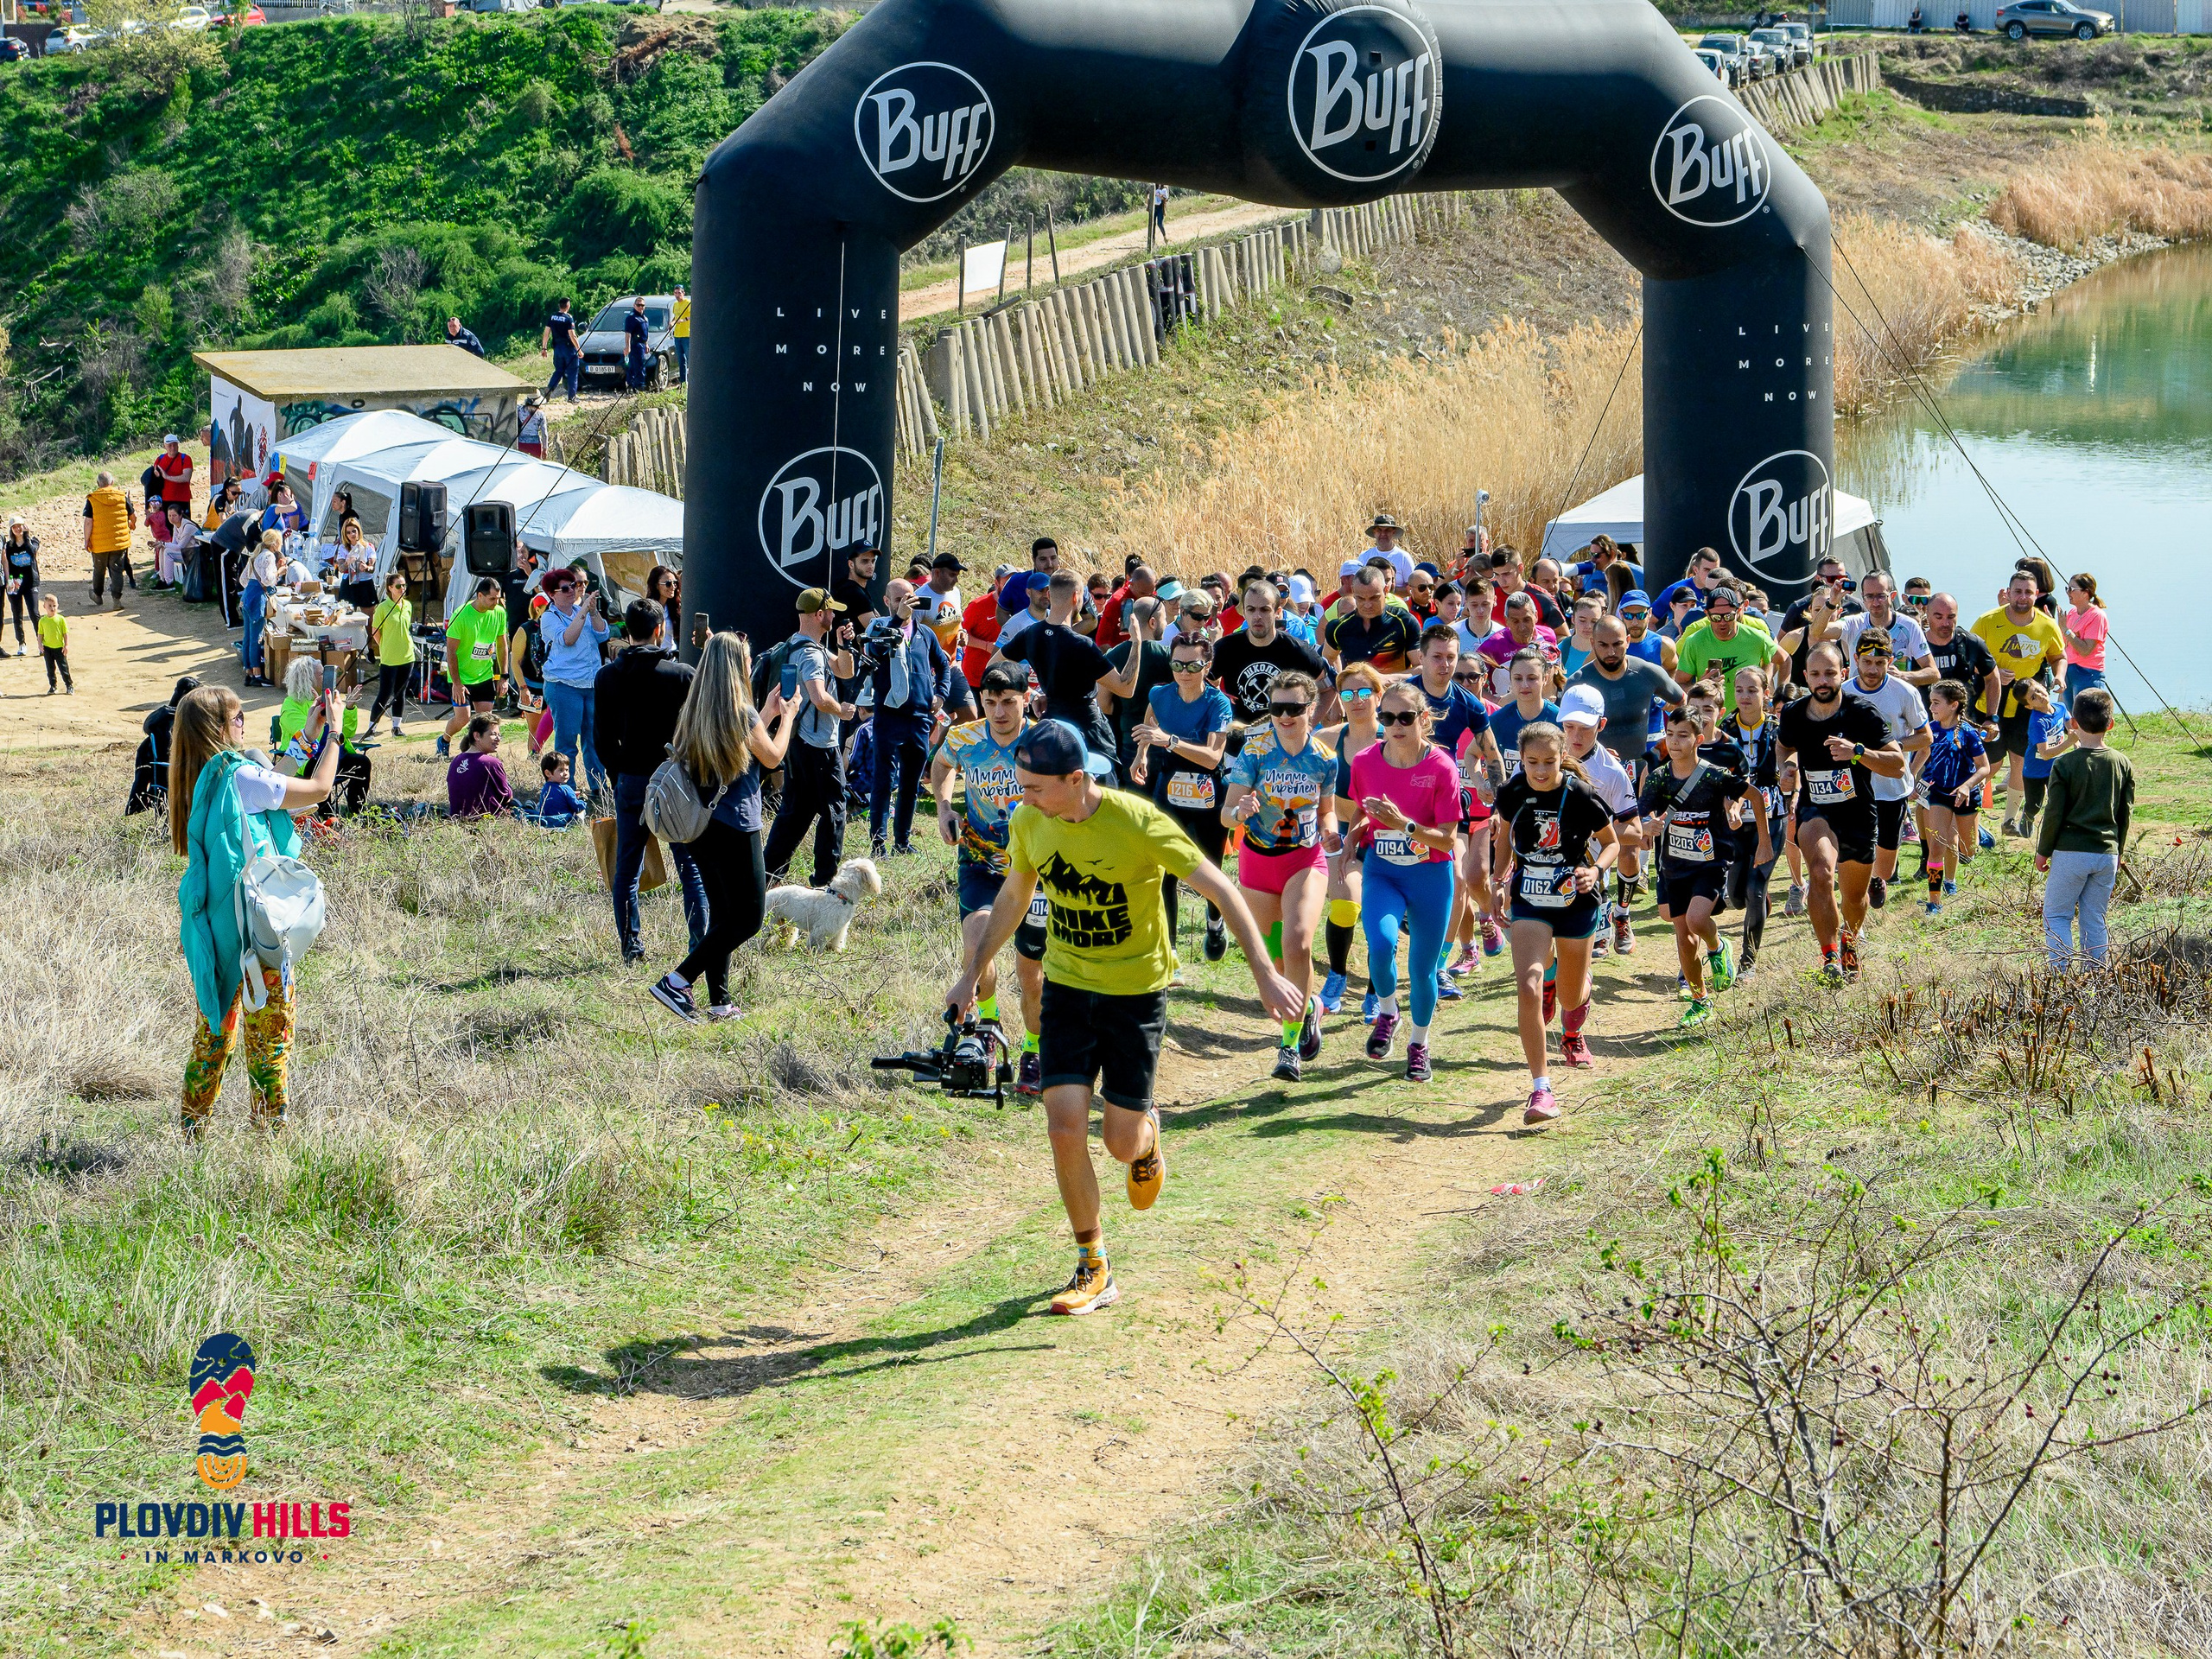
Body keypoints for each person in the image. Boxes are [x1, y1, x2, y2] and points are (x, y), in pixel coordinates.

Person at [945, 720, 1301, 1316]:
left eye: (1034, 786)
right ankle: (1094, 1265)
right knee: (1062, 1124)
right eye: (1020, 785)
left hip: (1135, 994)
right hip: (1067, 986)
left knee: (1119, 1142)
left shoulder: (1138, 823)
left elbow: (1222, 890)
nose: (1022, 796)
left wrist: (1264, 972)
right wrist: (969, 971)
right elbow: (1011, 897)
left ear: (1076, 779)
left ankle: (1146, 1137)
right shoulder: (1030, 821)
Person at [173, 683, 341, 1136]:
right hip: (256, 928)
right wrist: (336, 736)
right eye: (237, 718)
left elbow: (273, 786)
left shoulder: (202, 776)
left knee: (215, 1032)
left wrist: (309, 733)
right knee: (271, 1034)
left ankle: (191, 1130)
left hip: (219, 931)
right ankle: (268, 1140)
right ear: (218, 727)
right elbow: (317, 791)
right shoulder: (237, 775)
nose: (245, 724)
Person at [647, 634, 796, 1023]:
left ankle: (720, 1003)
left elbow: (740, 753)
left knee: (722, 914)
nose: (750, 666)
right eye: (746, 660)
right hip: (737, 824)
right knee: (748, 918)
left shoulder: (697, 710)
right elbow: (773, 756)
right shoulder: (739, 712)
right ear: (735, 666)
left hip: (702, 827)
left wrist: (765, 714)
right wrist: (789, 718)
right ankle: (678, 981)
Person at [1491, 719, 1621, 1122]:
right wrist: (1498, 881)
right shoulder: (1513, 792)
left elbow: (1612, 843)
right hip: (1529, 899)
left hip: (1575, 901)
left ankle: (1572, 1027)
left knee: (1571, 996)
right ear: (1522, 760)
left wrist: (1596, 871)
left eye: (1550, 761)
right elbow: (1503, 840)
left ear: (1563, 757)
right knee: (1527, 986)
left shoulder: (1580, 793)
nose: (1541, 771)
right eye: (1533, 762)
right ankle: (1541, 1089)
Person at [1336, 681, 1461, 1081]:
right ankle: (1388, 1011)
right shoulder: (1366, 761)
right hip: (1384, 872)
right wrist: (1355, 832)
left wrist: (1403, 824)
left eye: (1405, 717)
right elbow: (1361, 809)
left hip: (1430, 875)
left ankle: (1419, 1043)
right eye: (1387, 718)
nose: (1395, 725)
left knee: (1422, 969)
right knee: (1382, 943)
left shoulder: (1441, 766)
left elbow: (1448, 838)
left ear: (1423, 719)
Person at [935, 663, 1049, 1094]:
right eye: (990, 702)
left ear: (1025, 699)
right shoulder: (966, 737)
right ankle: (988, 1026)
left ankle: (1034, 1049)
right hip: (981, 859)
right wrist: (945, 808)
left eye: (1009, 702)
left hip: (1034, 867)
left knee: (1030, 972)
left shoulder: (1043, 741)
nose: (999, 712)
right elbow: (942, 765)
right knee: (976, 943)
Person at [1220, 671, 1337, 1080]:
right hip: (1257, 862)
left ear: (1311, 710)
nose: (1285, 716)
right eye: (1277, 709)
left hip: (1304, 860)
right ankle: (1310, 1009)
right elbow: (1225, 813)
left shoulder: (1324, 758)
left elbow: (1326, 810)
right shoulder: (1255, 752)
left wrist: (1330, 828)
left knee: (1299, 942)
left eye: (1294, 709)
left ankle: (1288, 1046)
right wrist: (1241, 812)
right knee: (1278, 960)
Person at [1777, 644, 1906, 985]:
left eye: (1830, 673)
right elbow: (1785, 746)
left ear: (1843, 674)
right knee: (1820, 872)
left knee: (1854, 898)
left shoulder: (1863, 713)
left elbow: (1897, 766)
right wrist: (1787, 768)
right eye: (1816, 674)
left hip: (1857, 814)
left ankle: (1850, 938)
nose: (1823, 681)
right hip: (1815, 809)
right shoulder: (1793, 713)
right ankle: (1830, 955)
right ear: (1805, 677)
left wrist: (1857, 751)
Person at [596, 598, 714, 963]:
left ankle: (632, 950)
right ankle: (700, 946)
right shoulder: (681, 674)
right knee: (690, 865)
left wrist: (620, 773)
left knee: (627, 869)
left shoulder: (608, 675)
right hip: (675, 778)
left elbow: (600, 739)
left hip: (630, 778)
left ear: (626, 631)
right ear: (660, 629)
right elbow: (698, 729)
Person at [1639, 706, 1767, 1028]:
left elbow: (1754, 795)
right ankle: (1699, 1000)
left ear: (1697, 739)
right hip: (1673, 866)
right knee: (1683, 936)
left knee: (1698, 921)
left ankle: (1717, 945)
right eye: (1670, 735)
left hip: (1710, 863)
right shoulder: (1658, 778)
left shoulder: (1713, 776)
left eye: (1683, 736)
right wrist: (1647, 827)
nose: (1675, 742)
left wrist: (1764, 842)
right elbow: (1642, 814)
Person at [1131, 631, 1236, 963]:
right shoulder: (1160, 693)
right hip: (1169, 786)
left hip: (1208, 791)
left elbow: (1213, 757)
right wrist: (1142, 753)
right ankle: (1171, 950)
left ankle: (1215, 923)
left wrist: (1169, 740)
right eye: (1177, 664)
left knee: (1211, 871)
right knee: (1166, 870)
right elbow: (1149, 720)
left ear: (1207, 666)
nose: (1184, 672)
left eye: (1192, 666)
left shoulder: (1217, 702)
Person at [763, 588, 857, 887]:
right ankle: (825, 879)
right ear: (820, 615)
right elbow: (819, 697)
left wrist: (844, 645)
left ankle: (767, 875)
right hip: (819, 746)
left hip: (798, 744)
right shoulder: (810, 654)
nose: (835, 615)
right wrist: (840, 710)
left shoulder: (798, 645)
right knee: (835, 809)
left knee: (796, 811)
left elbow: (844, 671)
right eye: (831, 611)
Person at [2036, 686, 2132, 972]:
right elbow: (2124, 814)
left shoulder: (2065, 763)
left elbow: (2054, 812)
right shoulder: (2122, 763)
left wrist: (2043, 851)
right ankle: (2097, 980)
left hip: (2071, 851)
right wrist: (2119, 851)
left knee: (2058, 914)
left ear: (2073, 724)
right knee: (2094, 917)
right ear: (2110, 724)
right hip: (2107, 854)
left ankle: (2062, 980)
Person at [1842, 627, 1929, 910]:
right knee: (1857, 847)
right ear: (1856, 659)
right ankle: (1857, 895)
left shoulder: (1904, 692)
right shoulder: (1843, 693)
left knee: (1887, 860)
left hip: (1892, 785)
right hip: (1854, 785)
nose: (1873, 669)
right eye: (1867, 662)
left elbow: (1925, 736)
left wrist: (1891, 747)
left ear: (1890, 661)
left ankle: (1878, 879)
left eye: (1880, 663)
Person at [864, 577, 950, 857]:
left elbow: (943, 665)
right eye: (900, 599)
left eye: (910, 597)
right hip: (889, 716)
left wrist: (941, 694)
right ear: (887, 601)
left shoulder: (925, 634)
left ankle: (902, 840)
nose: (907, 603)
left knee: (911, 783)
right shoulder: (879, 628)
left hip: (919, 718)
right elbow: (874, 651)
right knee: (884, 780)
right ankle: (878, 843)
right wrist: (896, 621)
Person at [1972, 572, 2065, 833]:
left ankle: (2009, 821)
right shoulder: (1988, 621)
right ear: (2009, 593)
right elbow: (1967, 658)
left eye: (2028, 592)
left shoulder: (2047, 625)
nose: (2023, 597)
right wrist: (1993, 673)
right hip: (1989, 703)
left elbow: (2059, 656)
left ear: (2037, 595)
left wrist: (2059, 675)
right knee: (1990, 764)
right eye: (2018, 591)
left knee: (2020, 761)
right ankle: (1967, 812)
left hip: (2027, 703)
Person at [996, 569, 1121, 761]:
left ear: (1049, 595)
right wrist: (1137, 644)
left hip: (1051, 722)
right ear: (1075, 597)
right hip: (1087, 729)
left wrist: (1031, 694)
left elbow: (993, 666)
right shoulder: (1082, 644)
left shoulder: (1030, 634)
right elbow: (1125, 688)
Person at [1719, 666, 1786, 974]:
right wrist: (1728, 803)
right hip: (1735, 819)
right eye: (1740, 690)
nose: (1745, 697)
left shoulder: (1777, 728)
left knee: (1754, 887)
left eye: (1752, 690)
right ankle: (1758, 903)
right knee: (1735, 894)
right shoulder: (1726, 728)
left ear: (1766, 694)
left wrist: (1791, 774)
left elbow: (1791, 757)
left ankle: (1748, 962)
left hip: (1771, 817)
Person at [1207, 578, 1328, 726]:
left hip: (1282, 740)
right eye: (1251, 609)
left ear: (1277, 612)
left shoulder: (1296, 649)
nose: (1257, 616)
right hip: (1239, 740)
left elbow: (1328, 688)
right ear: (1244, 612)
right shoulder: (1226, 648)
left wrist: (1308, 725)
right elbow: (1203, 686)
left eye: (1264, 609)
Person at [1917, 679, 1990, 918]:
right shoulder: (1931, 729)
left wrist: (1967, 786)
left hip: (1967, 795)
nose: (1932, 708)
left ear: (1953, 705)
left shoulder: (1968, 734)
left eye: (1936, 703)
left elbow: (1984, 768)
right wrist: (1910, 778)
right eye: (1931, 703)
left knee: (1968, 850)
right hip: (1939, 794)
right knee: (1937, 846)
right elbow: (1923, 752)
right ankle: (1934, 901)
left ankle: (1976, 834)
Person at [537, 567, 611, 799]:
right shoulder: (549, 617)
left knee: (594, 739)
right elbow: (568, 639)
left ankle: (599, 787)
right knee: (567, 741)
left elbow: (603, 634)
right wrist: (582, 613)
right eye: (567, 588)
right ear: (552, 594)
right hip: (564, 685)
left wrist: (592, 611)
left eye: (576, 586)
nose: (574, 591)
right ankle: (566, 789)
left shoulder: (583, 610)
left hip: (590, 684)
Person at [1673, 583, 1777, 712]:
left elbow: (1780, 659)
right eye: (1716, 617)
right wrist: (1700, 686)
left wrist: (1764, 684)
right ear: (1707, 614)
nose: (1722, 622)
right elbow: (1680, 683)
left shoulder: (1756, 636)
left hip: (1747, 720)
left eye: (1728, 616)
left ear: (1738, 611)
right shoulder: (1694, 641)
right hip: (1709, 720)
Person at [438, 579, 512, 758]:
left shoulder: (499, 612)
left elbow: (502, 645)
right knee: (463, 718)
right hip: (461, 677)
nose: (497, 602)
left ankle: (477, 753)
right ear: (480, 596)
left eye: (499, 598)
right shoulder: (461, 615)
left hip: (484, 675)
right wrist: (456, 683)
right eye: (492, 599)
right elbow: (451, 651)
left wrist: (504, 676)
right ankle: (445, 739)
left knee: (484, 719)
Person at [1102, 594, 1173, 774]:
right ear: (1152, 622)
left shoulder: (1112, 656)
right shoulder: (1169, 657)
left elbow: (1104, 704)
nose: (1166, 624)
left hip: (1127, 740)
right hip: (1163, 741)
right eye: (1164, 619)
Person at [1325, 565, 1421, 674]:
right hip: (1357, 690)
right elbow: (1327, 660)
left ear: (1385, 590)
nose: (1367, 605)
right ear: (1353, 591)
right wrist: (1340, 683)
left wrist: (1386, 679)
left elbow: (1421, 668)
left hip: (1395, 689)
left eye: (1374, 598)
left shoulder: (1405, 622)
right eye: (1360, 598)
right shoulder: (1338, 627)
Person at [129, 676, 202, 814]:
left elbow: (147, 727)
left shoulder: (160, 716)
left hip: (158, 779)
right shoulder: (185, 719)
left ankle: (135, 803)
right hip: (179, 776)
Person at [2015, 677, 2069, 843]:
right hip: (2035, 772)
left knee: (2059, 800)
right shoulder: (2038, 722)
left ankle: (2059, 829)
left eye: (2039, 690)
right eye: (2033, 697)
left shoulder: (2060, 707)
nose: (2040, 696)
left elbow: (2069, 725)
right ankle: (2027, 816)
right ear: (2029, 706)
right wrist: (2070, 742)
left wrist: (2079, 742)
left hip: (2056, 767)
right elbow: (2044, 753)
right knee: (2035, 805)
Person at [84, 470, 136, 611]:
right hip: (119, 542)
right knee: (117, 570)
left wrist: (86, 540)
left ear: (98, 484)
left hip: (99, 544)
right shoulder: (122, 496)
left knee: (99, 570)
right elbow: (132, 515)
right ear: (112, 483)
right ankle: (116, 600)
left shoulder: (92, 499)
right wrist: (132, 525)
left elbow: (89, 522)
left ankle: (97, 595)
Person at [448, 715, 515, 819]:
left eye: (499, 735)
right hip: (486, 820)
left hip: (458, 819)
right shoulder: (491, 763)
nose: (498, 739)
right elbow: (506, 797)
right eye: (493, 734)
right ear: (477, 736)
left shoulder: (456, 761)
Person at [2059, 573, 2108, 709]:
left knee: (2088, 715)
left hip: (2087, 672)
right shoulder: (2072, 613)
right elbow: (2064, 643)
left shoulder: (2097, 616)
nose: (2068, 593)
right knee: (2071, 717)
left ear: (2086, 593)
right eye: (2067, 589)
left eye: (2072, 589)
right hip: (2069, 670)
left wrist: (2066, 629)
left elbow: (2086, 650)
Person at [5, 516, 39, 657]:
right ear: (11, 530)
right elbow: (6, 562)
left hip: (31, 583)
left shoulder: (33, 541)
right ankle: (21, 643)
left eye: (20, 526)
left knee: (34, 613)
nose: (18, 529)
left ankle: (41, 642)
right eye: (15, 527)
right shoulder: (8, 546)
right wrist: (9, 582)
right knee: (17, 614)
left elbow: (33, 552)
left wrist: (27, 538)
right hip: (15, 584)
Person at [1359, 512, 1415, 590]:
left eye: (1387, 530)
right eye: (1379, 530)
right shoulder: (1364, 556)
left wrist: (1388, 590)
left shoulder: (1404, 557)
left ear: (1393, 532)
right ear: (1374, 533)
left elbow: (1413, 589)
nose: (1383, 534)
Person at [542, 296, 582, 403]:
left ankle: (549, 388)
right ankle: (572, 397)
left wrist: (544, 348)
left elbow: (546, 333)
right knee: (573, 372)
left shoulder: (552, 317)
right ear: (568, 306)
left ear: (559, 306)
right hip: (569, 349)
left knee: (559, 370)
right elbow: (573, 336)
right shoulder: (568, 318)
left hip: (557, 349)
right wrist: (579, 350)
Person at [36, 594, 71, 694]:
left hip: (59, 648)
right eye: (50, 606)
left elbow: (65, 633)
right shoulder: (42, 621)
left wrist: (66, 645)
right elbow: (40, 634)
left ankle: (69, 685)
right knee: (50, 669)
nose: (52, 608)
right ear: (44, 607)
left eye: (54, 606)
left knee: (63, 668)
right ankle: (53, 686)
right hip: (47, 648)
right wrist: (39, 644)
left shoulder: (61, 619)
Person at [623, 296, 651, 390]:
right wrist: (628, 346)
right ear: (634, 305)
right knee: (637, 366)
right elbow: (628, 333)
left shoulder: (645, 318)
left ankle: (637, 385)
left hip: (642, 344)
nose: (640, 307)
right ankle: (638, 386)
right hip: (635, 344)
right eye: (638, 305)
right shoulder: (632, 318)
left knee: (640, 365)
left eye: (642, 305)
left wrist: (646, 344)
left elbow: (645, 332)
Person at [670, 284, 691, 385]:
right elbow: (675, 317)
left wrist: (683, 320)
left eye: (679, 293)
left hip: (686, 334)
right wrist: (672, 322)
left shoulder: (688, 303)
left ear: (683, 293)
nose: (677, 295)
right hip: (677, 335)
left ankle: (692, 382)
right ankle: (683, 382)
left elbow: (692, 315)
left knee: (689, 358)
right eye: (675, 293)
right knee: (681, 359)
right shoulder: (675, 305)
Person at [517, 396, 548, 460]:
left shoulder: (519, 410)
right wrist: (545, 448)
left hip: (521, 442)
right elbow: (544, 433)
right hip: (535, 443)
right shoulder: (541, 414)